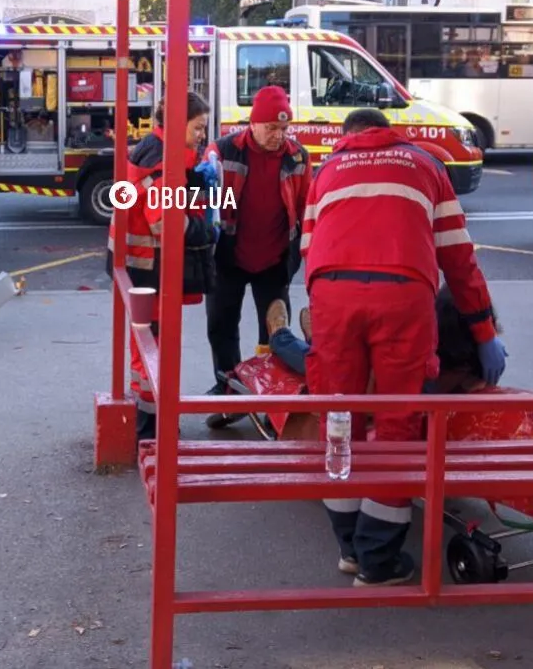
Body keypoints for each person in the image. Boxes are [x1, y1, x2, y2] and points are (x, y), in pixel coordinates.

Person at [301, 107, 505, 587]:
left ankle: (350, 548)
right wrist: (484, 332)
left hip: (332, 294)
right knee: (398, 422)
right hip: (403, 295)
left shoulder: (327, 169)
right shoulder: (426, 165)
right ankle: (378, 562)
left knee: (338, 418)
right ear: (387, 132)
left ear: (351, 136)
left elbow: (308, 248)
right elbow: (458, 259)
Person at [106, 91, 216, 440]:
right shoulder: (163, 164)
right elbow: (167, 225)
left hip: (138, 268)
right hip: (150, 269)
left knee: (144, 344)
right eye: (198, 127)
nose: (202, 135)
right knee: (152, 346)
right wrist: (206, 228)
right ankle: (152, 425)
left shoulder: (154, 151)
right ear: (177, 124)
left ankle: (147, 417)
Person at [203, 85, 311, 428]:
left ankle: (273, 400)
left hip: (275, 260)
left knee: (275, 334)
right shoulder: (223, 151)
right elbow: (202, 201)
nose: (278, 136)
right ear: (253, 124)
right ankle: (229, 393)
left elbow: (309, 207)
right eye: (271, 128)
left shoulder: (298, 156)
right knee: (221, 328)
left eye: (284, 129)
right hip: (228, 257)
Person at [264, 285, 504, 395]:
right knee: (326, 361)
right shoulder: (476, 364)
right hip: (369, 357)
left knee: (327, 362)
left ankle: (298, 336)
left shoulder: (425, 348)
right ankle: (295, 336)